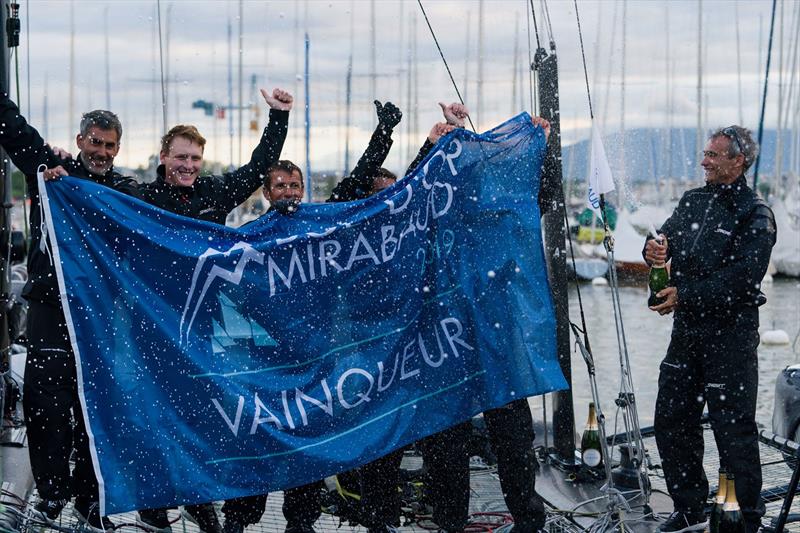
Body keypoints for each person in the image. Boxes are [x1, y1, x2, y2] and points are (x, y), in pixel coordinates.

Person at [42, 87, 294, 533]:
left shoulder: (216, 192)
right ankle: (152, 506)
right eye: (181, 157)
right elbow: (95, 193)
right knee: (152, 417)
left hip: (199, 329)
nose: (188, 166)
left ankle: (199, 499)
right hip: (151, 328)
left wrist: (277, 117)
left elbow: (259, 168)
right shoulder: (139, 197)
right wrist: (63, 174)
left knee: (203, 416)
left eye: (195, 158)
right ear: (164, 157)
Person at [220, 100, 402, 533]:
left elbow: (359, 182)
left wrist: (384, 131)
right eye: (279, 186)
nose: (288, 193)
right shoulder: (248, 239)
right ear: (267, 192)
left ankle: (301, 523)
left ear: (303, 188)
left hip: (313, 360)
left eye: (294, 185)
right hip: (263, 364)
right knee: (256, 446)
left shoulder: (321, 226)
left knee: (307, 447)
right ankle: (239, 520)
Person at [0, 91, 138, 532]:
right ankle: (51, 497)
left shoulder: (125, 192)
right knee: (45, 410)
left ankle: (89, 504)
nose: (100, 152)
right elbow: (16, 132)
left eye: (109, 145)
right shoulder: (51, 174)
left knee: (96, 414)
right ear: (80, 139)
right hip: (51, 312)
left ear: (118, 149)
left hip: (99, 318)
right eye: (94, 142)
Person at [645, 126, 776, 533]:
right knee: (671, 418)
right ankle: (688, 506)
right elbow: (662, 239)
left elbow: (742, 278)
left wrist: (685, 296)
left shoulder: (755, 214)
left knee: (732, 430)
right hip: (687, 335)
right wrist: (653, 249)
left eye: (714, 155)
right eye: (705, 153)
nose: (704, 161)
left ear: (739, 161)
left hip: (730, 337)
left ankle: (746, 519)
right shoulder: (693, 200)